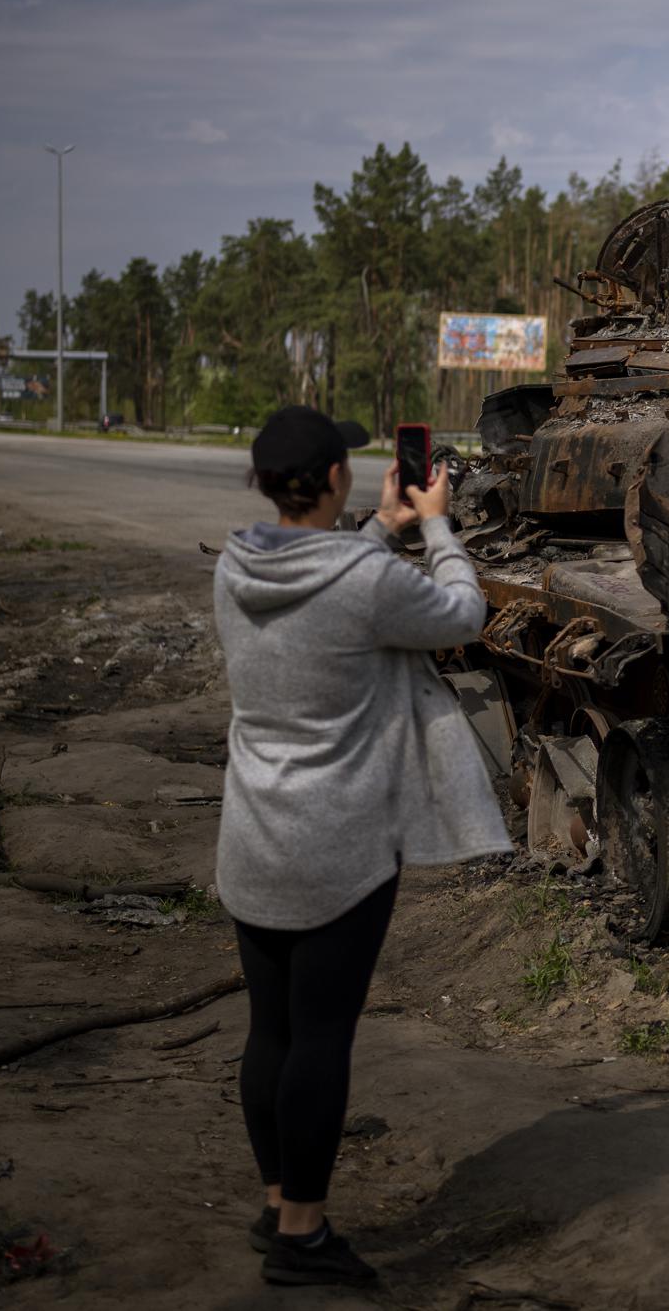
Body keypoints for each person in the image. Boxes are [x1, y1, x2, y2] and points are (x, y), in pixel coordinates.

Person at [213, 405, 509, 1287]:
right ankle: (304, 1236)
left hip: (252, 839)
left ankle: (277, 1202)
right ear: (337, 477)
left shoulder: (234, 567)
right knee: (322, 1039)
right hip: (338, 852)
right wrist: (435, 523)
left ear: (265, 485)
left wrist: (380, 527)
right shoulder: (364, 583)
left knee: (270, 1030)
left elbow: (333, 572)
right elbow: (462, 613)